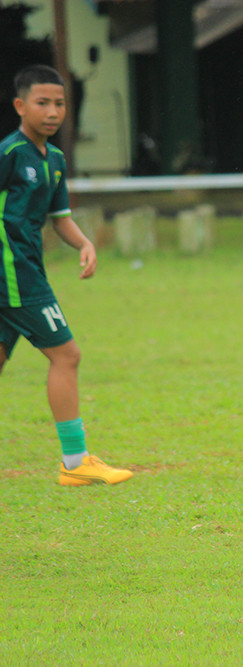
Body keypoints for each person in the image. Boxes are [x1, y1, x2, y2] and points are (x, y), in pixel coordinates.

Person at [1, 64, 132, 486]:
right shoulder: (8, 154)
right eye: (43, 103)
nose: (53, 111)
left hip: (25, 271)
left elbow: (60, 217)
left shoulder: (54, 159)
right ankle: (75, 462)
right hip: (14, 274)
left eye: (59, 103)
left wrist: (85, 243)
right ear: (20, 106)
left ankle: (75, 463)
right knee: (67, 355)